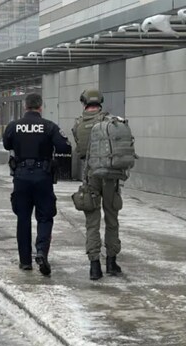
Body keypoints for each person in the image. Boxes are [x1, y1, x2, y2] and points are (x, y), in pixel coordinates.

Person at [3, 93, 71, 276]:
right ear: (40, 107)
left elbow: (6, 144)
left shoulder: (13, 126)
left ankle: (25, 261)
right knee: (45, 216)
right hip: (43, 176)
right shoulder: (49, 126)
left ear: (25, 107)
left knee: (23, 218)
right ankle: (41, 251)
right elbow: (65, 147)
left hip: (21, 176)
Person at [72, 88, 124, 280]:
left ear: (84, 102)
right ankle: (111, 261)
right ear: (100, 102)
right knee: (111, 219)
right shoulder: (110, 121)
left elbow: (80, 151)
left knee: (92, 222)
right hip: (110, 177)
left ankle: (94, 266)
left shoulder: (78, 124)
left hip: (90, 176)